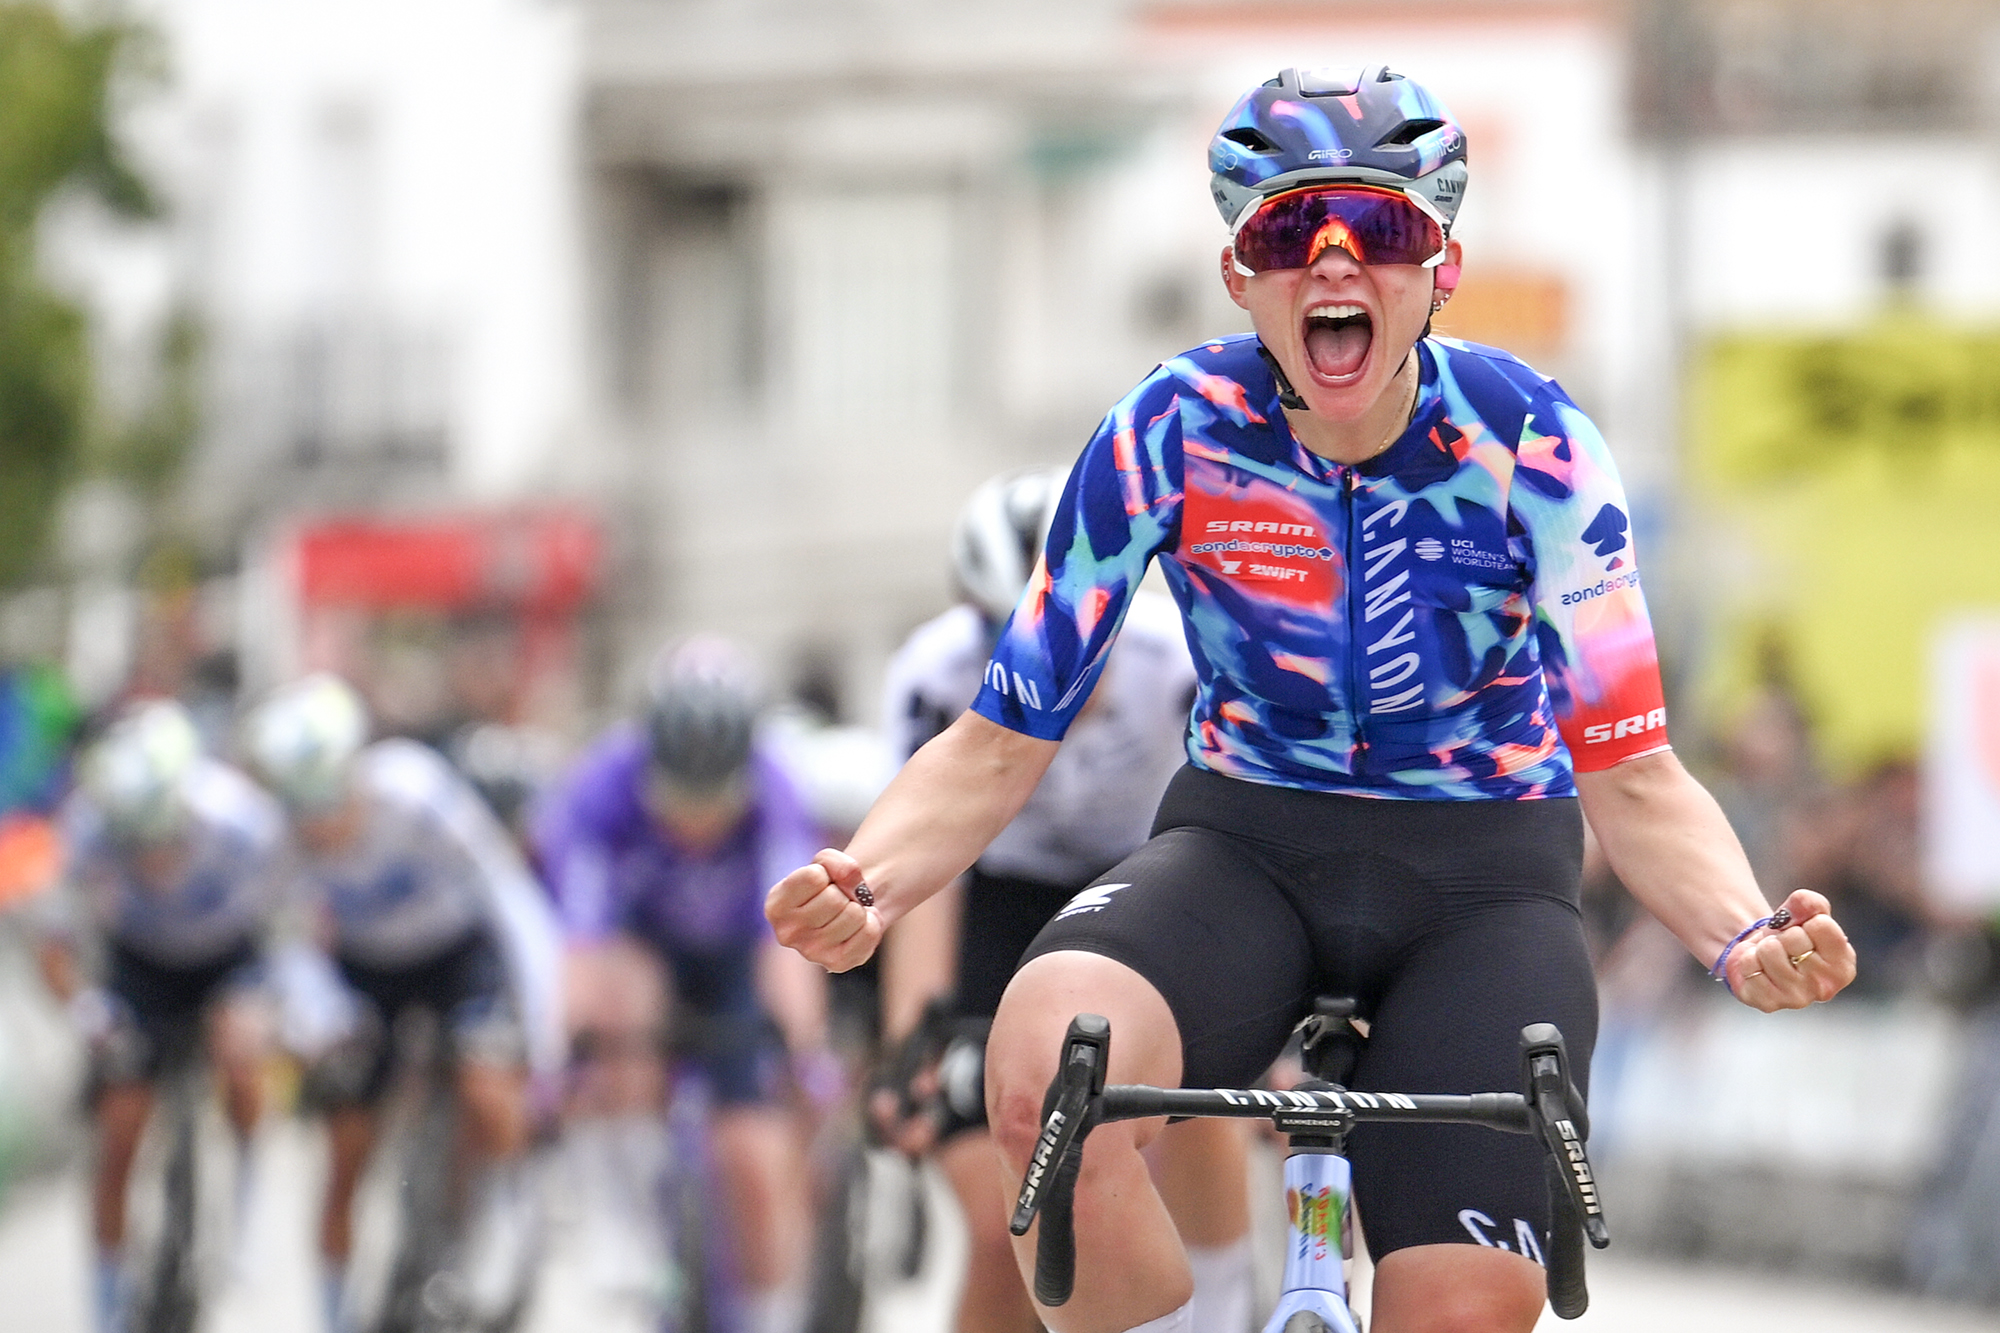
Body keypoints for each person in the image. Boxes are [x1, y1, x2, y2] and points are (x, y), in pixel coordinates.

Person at [768, 64, 1860, 1333]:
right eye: (1289, 231)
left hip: (1481, 881)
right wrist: (868, 880)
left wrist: (1742, 936)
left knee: (1454, 1311)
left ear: (1437, 268)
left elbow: (1631, 773)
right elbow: (1001, 737)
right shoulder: (1169, 428)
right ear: (1239, 271)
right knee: (1042, 1074)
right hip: (1246, 845)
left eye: (1381, 229)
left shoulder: (1537, 446)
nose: (1335, 264)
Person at [875, 467, 1257, 1333]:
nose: (1044, 655)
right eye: (1002, 630)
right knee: (997, 1221)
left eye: (1071, 627)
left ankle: (1225, 1310)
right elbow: (928, 871)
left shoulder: (1179, 663)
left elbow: (1235, 840)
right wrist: (913, 1042)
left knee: (1201, 1101)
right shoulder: (933, 677)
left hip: (1145, 874)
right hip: (997, 894)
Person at [532, 637, 836, 1333]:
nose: (697, 824)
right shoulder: (599, 787)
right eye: (679, 802)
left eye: (715, 803)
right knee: (620, 1010)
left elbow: (787, 952)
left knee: (752, 1156)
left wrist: (806, 1052)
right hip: (645, 957)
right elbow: (580, 948)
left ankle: (766, 1310)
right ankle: (632, 1213)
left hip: (737, 962)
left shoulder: (777, 791)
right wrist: (564, 1055)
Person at [242, 673, 559, 1332]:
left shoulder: (417, 793)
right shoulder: (280, 836)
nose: (323, 826)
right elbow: (284, 940)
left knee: (486, 1087)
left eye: (333, 801)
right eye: (305, 810)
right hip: (365, 973)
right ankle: (334, 1311)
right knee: (347, 1144)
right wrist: (321, 1014)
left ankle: (509, 1223)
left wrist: (545, 1027)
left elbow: (509, 898)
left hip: (458, 955)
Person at [35, 700, 285, 1333]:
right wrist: (88, 1010)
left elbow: (297, 916)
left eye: (164, 837)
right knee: (120, 1127)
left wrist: (273, 999)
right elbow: (55, 936)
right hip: (141, 965)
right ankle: (106, 1298)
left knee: (240, 1061)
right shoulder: (89, 826)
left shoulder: (242, 821)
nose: (154, 858)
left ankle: (244, 1224)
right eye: (137, 842)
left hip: (229, 957)